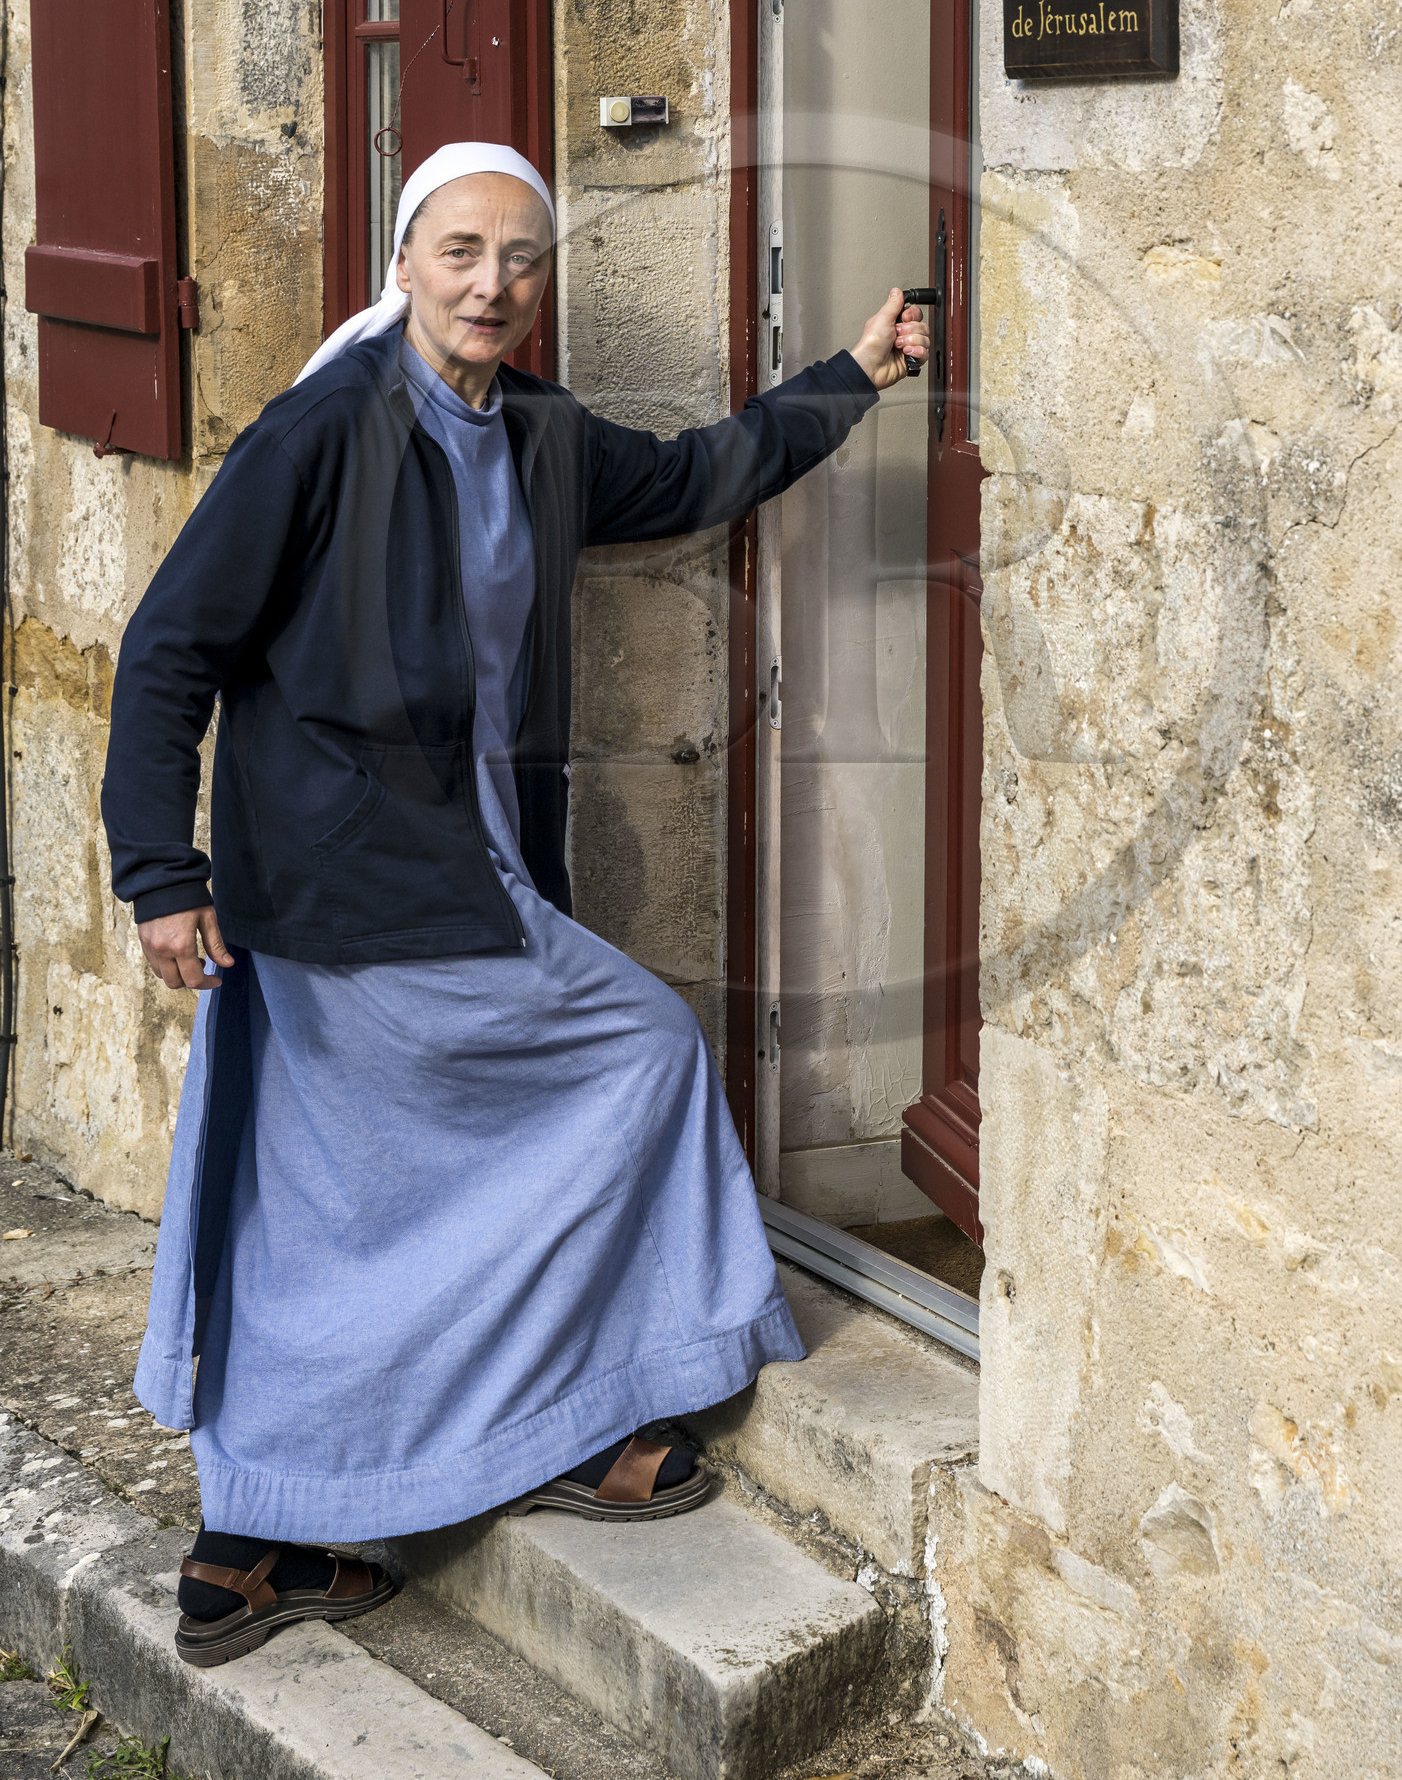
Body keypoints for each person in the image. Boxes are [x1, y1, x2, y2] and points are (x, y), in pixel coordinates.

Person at [101, 140, 927, 1669]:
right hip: (351, 884)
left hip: (466, 872)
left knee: (349, 1204)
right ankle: (548, 1421)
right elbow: (170, 651)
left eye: (523, 258)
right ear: (404, 265)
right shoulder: (321, 435)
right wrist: (160, 872)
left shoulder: (538, 432)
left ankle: (254, 1544)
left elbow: (690, 476)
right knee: (634, 1061)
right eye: (463, 252)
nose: (495, 284)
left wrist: (857, 372)